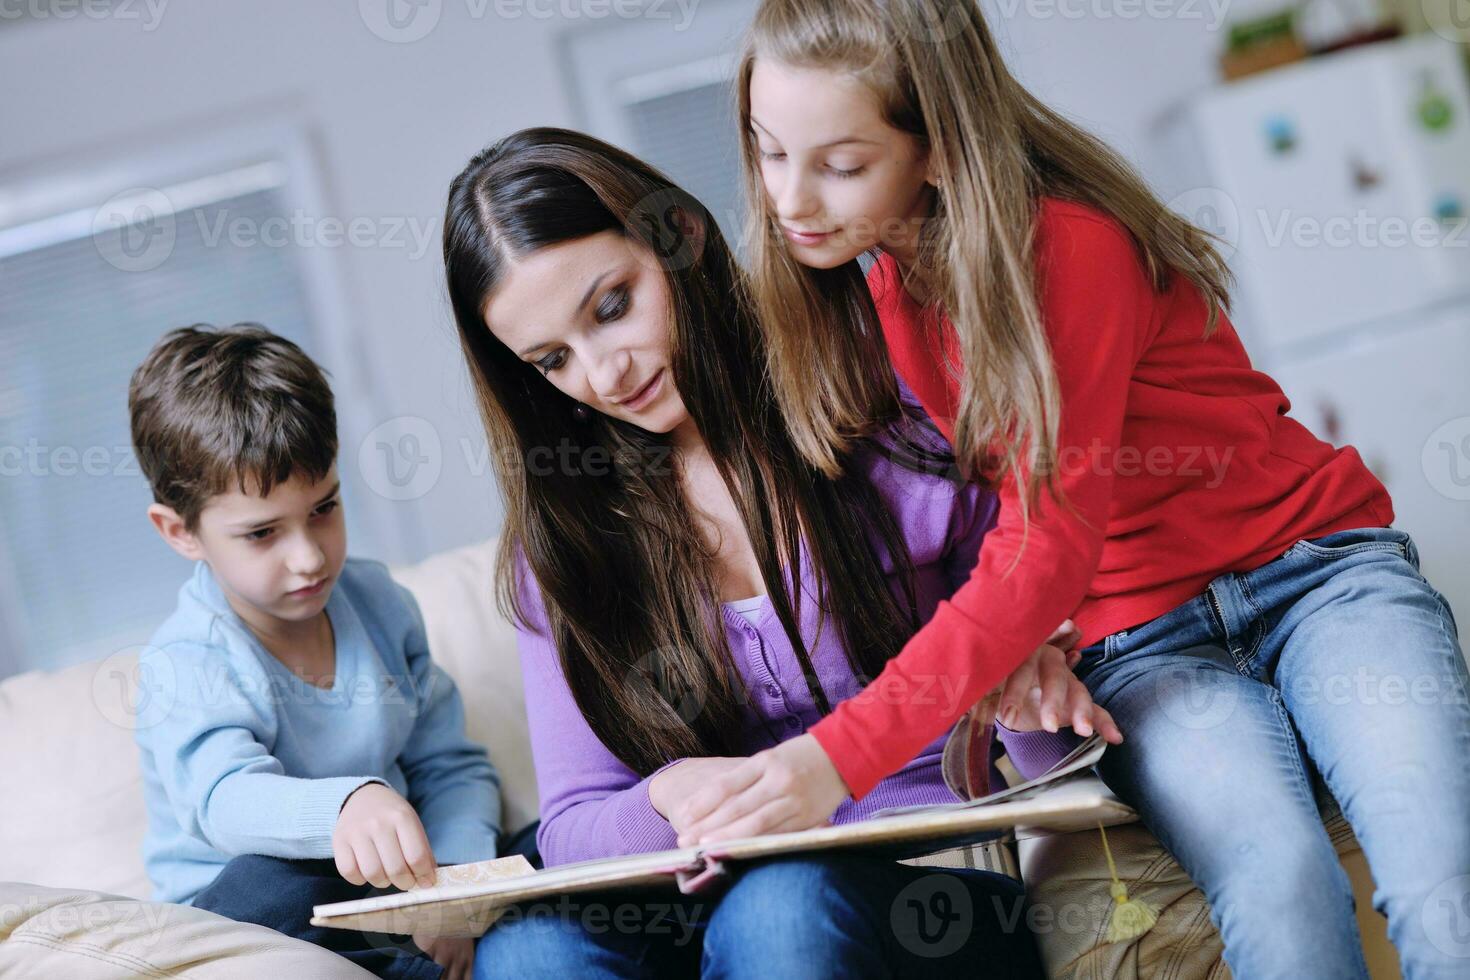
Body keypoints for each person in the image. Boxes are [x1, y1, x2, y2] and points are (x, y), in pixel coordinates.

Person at [678, 1, 1470, 976]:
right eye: (768, 153)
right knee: (1276, 874)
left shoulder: (1069, 244)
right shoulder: (878, 289)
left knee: (1443, 882)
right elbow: (997, 521)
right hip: (1147, 640)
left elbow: (1045, 540)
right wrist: (1032, 640)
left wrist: (830, 758)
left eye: (840, 164)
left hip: (1317, 574)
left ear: (937, 148)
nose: (793, 199)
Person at [442, 127, 1114, 977]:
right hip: (711, 899)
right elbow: (571, 824)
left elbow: (1052, 746)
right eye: (552, 360)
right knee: (532, 954)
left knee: (782, 909)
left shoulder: (881, 407)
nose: (604, 376)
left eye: (612, 306)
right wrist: (666, 795)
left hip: (923, 894)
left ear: (680, 238)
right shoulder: (568, 539)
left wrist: (1030, 700)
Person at [129, 324, 501, 980]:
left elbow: (449, 766)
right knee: (279, 879)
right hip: (247, 919)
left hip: (378, 896)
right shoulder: (188, 660)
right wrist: (345, 805)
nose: (307, 557)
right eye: (262, 533)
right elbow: (224, 798)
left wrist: (455, 888)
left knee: (533, 859)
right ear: (180, 532)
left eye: (324, 508)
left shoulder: (381, 603)